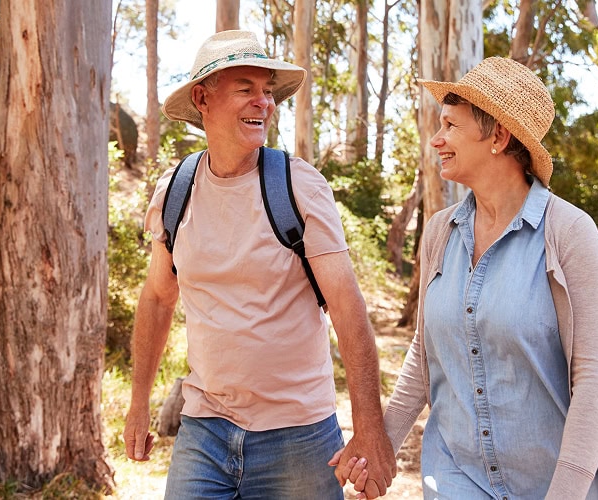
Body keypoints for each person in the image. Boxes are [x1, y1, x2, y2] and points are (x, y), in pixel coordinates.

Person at [334, 57, 598, 499]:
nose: (437, 139)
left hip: (557, 485)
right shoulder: (439, 231)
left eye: (451, 126)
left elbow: (593, 383)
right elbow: (424, 356)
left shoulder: (568, 232)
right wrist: (382, 448)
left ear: (499, 136)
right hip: (458, 482)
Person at [123, 30, 396, 499]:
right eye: (246, 89)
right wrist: (137, 403)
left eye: (268, 91)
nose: (264, 103)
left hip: (300, 436)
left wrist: (369, 427)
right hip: (204, 428)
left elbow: (347, 307)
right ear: (202, 98)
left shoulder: (299, 187)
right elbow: (156, 296)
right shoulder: (176, 192)